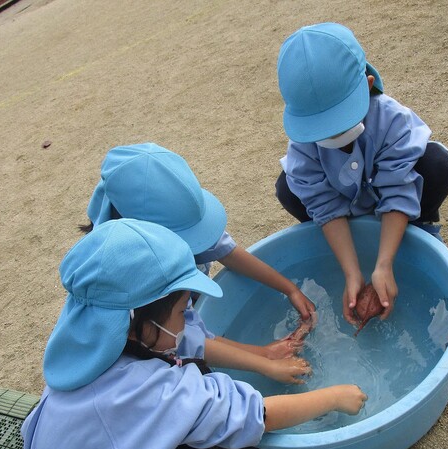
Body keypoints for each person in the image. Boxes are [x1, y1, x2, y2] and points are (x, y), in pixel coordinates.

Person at [22, 218, 367, 449]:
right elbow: (258, 415)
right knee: (192, 428)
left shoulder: (88, 346)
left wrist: (265, 356)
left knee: (188, 370)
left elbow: (185, 347)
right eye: (181, 309)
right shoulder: (151, 393)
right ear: (138, 324)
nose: (189, 319)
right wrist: (335, 396)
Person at [275, 22, 448, 324]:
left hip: (391, 192)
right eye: (321, 128)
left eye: (341, 122)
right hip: (343, 202)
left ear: (368, 85)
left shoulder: (390, 119)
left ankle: (420, 225)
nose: (332, 135)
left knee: (436, 165)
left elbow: (399, 186)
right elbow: (322, 204)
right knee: (287, 187)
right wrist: (352, 272)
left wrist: (384, 264)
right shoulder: (303, 146)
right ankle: (352, 236)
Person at [82, 142, 316, 362]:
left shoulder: (167, 220)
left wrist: (290, 288)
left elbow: (226, 251)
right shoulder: (134, 280)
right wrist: (264, 356)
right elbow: (185, 339)